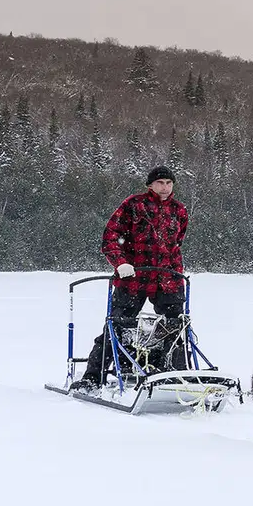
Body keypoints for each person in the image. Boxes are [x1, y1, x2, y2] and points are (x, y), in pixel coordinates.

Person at [71, 165, 194, 390]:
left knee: (175, 330)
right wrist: (121, 263)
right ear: (150, 185)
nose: (164, 188)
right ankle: (92, 377)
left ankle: (175, 375)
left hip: (168, 279)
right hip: (134, 278)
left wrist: (173, 271)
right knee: (116, 327)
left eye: (168, 183)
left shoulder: (180, 210)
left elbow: (176, 244)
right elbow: (110, 237)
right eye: (160, 183)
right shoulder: (134, 205)